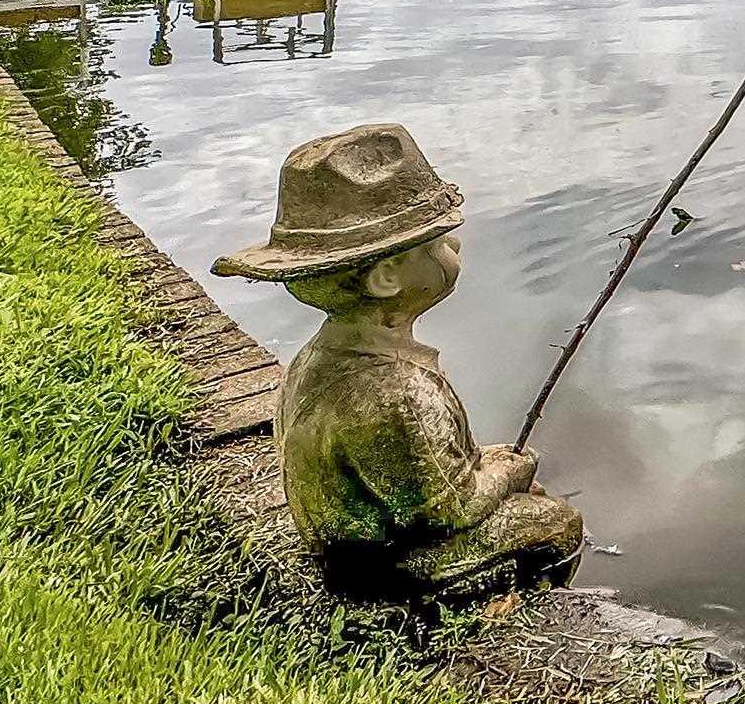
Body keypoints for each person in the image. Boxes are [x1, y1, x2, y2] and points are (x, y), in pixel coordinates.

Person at [214, 124, 584, 602]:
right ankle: (499, 605)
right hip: (392, 568)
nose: (457, 248)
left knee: (508, 478)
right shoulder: (402, 391)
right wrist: (508, 474)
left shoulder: (315, 359)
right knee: (557, 520)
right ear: (387, 277)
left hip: (344, 539)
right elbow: (450, 508)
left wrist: (489, 469)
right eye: (439, 245)